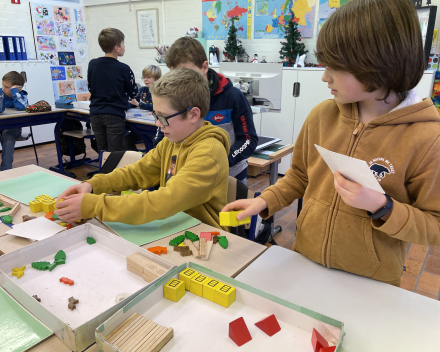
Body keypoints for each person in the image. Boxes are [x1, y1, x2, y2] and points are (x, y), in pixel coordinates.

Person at [222, 0, 440, 286]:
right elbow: (299, 176)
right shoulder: (322, 115)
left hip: (371, 282)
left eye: (335, 67)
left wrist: (382, 206)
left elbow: (434, 225)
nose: (325, 76)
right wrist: (265, 200)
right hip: (306, 260)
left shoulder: (426, 138)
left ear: (378, 65)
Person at [55, 68, 230, 230]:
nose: (158, 124)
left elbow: (163, 202)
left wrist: (94, 205)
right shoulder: (173, 141)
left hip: (205, 233)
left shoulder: (208, 153)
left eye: (164, 117)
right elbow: (138, 172)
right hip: (175, 224)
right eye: (155, 115)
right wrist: (94, 185)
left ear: (193, 114)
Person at [160, 37, 258, 184]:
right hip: (189, 177)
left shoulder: (233, 97)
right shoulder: (176, 98)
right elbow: (164, 137)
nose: (181, 81)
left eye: (187, 73)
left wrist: (221, 160)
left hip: (230, 176)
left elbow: (248, 140)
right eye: (176, 75)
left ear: (204, 67)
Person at [87, 28, 138, 153]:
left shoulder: (92, 64)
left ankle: (104, 172)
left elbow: (90, 87)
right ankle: (115, 173)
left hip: (95, 113)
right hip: (114, 115)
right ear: (117, 47)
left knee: (102, 151)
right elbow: (134, 93)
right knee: (115, 152)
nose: (124, 47)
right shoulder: (124, 68)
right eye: (123, 44)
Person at [125, 65, 162, 150]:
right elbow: (133, 103)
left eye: (148, 77)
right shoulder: (142, 90)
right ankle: (138, 159)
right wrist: (124, 106)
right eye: (144, 77)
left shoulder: (160, 91)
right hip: (143, 125)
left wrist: (140, 105)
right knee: (126, 140)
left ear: (156, 78)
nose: (145, 79)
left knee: (154, 143)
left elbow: (157, 107)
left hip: (156, 127)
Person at [0, 71, 28, 171]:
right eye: (2, 85)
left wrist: (14, 92)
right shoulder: (1, 92)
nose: (3, 89)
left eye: (7, 87)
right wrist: (2, 94)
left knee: (7, 136)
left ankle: (5, 169)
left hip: (14, 127)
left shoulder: (22, 95)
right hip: (1, 126)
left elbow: (22, 107)